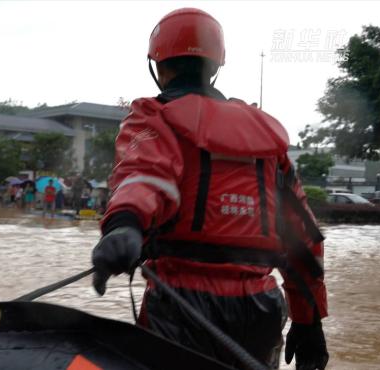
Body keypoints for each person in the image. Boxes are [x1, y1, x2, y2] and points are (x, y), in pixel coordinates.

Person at [91, 8, 328, 370]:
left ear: (159, 66)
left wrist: (124, 223)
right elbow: (302, 236)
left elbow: (144, 176)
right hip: (261, 308)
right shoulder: (264, 135)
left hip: (181, 304)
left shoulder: (154, 116)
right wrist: (309, 320)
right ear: (216, 66)